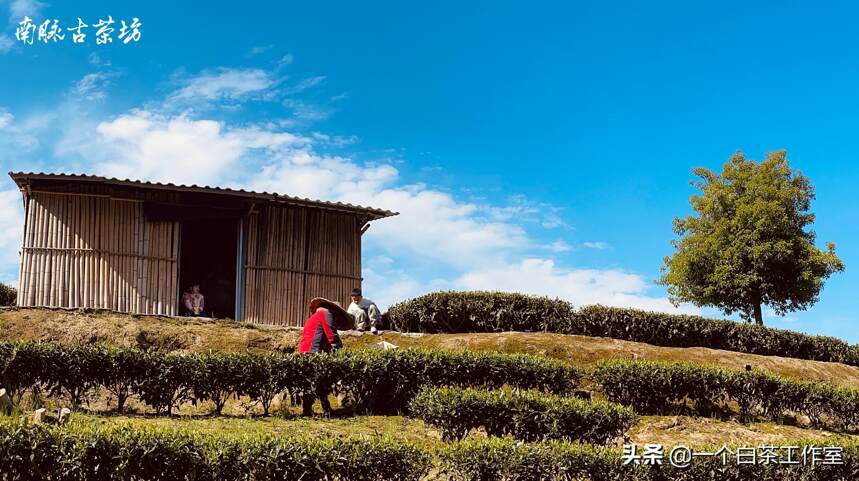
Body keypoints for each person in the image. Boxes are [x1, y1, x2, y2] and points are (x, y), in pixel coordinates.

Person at [296, 297, 347, 416]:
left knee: (309, 381)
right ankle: (326, 410)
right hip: (314, 351)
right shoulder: (326, 313)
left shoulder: (313, 317)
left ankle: (308, 409)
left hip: (304, 351)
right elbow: (331, 333)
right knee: (320, 380)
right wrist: (339, 350)